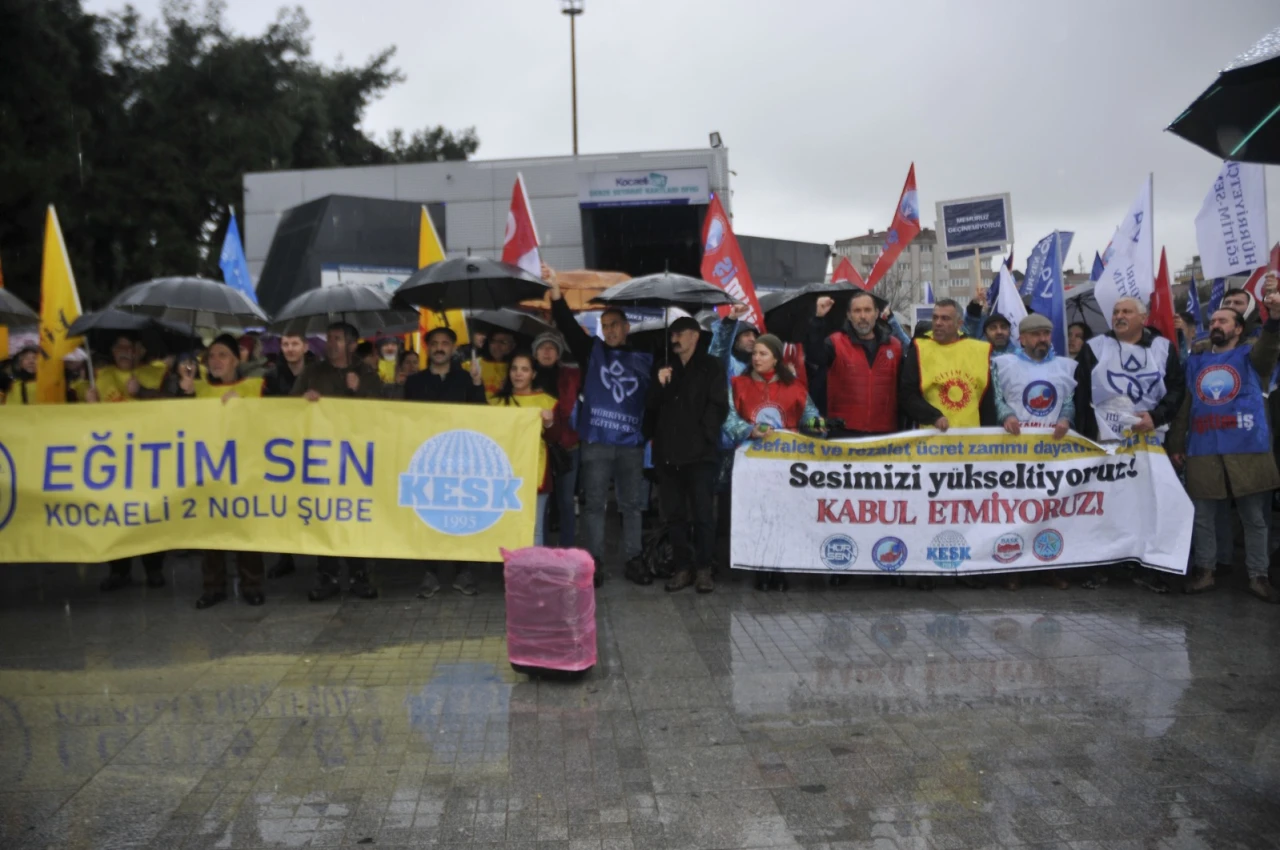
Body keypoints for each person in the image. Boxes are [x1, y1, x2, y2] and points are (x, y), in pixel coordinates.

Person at [1170, 299, 1280, 603]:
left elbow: (1269, 348)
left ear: (1239, 328)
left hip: (1247, 448)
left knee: (1253, 517)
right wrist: (1177, 443)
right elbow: (1186, 405)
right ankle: (1205, 571)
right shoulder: (1198, 361)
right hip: (1204, 447)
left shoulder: (1252, 356)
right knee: (1204, 515)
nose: (1216, 325)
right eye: (1213, 320)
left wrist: (1274, 319)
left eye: (1224, 321)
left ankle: (1258, 575)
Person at [547, 266, 651, 586]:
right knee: (594, 504)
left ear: (626, 326)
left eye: (614, 325)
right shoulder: (591, 351)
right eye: (604, 326)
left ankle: (634, 559)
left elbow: (656, 398)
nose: (609, 331)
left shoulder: (646, 357)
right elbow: (566, 326)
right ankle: (594, 562)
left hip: (631, 443)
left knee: (632, 505)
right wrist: (556, 295)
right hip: (596, 442)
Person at [1074, 296, 1185, 593]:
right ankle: (1100, 565)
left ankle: (1148, 565)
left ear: (1142, 317)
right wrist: (1086, 438)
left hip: (1151, 438)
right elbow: (1081, 392)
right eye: (1116, 311)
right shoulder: (1095, 347)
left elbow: (1176, 388)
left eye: (1126, 311)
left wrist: (1157, 415)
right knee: (1105, 501)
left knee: (1148, 502)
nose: (1119, 316)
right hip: (1107, 439)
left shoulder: (1163, 348)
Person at [899, 298, 995, 590]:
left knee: (967, 509)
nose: (938, 323)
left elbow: (987, 401)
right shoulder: (919, 348)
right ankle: (927, 569)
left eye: (945, 319)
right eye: (936, 317)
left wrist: (993, 441)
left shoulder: (978, 351)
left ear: (959, 324)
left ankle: (968, 567)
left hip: (970, 448)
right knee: (931, 510)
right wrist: (933, 415)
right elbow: (905, 394)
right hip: (931, 447)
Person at [172, 334, 266, 608]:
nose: (215, 361)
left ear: (236, 360)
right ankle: (213, 586)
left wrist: (246, 405)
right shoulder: (196, 389)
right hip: (208, 470)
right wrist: (183, 392)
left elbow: (274, 417)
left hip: (243, 469)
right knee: (211, 530)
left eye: (222, 355)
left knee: (245, 529)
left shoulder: (254, 387)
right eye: (211, 356)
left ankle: (252, 584)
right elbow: (173, 423)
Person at [723, 333, 820, 591]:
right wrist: (749, 430)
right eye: (754, 353)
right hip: (751, 464)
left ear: (776, 358)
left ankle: (780, 567)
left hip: (785, 464)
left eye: (763, 354)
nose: (756, 358)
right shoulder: (738, 384)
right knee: (757, 515)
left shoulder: (795, 387)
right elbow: (729, 419)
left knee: (782, 515)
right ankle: (759, 567)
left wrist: (818, 424)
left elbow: (810, 416)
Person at [292, 322, 382, 601]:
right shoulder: (312, 372)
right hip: (320, 456)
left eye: (338, 339)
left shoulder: (366, 373)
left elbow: (381, 413)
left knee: (352, 516)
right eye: (328, 338)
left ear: (352, 344)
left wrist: (356, 391)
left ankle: (359, 575)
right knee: (324, 515)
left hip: (355, 459)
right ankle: (327, 576)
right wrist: (303, 401)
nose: (331, 343)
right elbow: (288, 406)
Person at [992, 314, 1076, 591]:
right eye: (1036, 334)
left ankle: (1048, 566)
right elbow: (997, 398)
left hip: (1051, 454)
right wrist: (1005, 415)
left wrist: (1066, 418)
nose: (1042, 339)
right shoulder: (1003, 365)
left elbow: (1069, 401)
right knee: (1014, 509)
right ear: (1023, 339)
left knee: (1050, 509)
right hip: (1014, 454)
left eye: (1046, 334)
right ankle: (1013, 568)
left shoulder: (1066, 367)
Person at [403, 326, 488, 596]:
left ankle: (463, 571)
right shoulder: (414, 382)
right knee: (428, 516)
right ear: (428, 348)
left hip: (460, 461)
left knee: (460, 516)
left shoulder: (466, 379)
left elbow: (483, 415)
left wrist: (476, 384)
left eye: (445, 343)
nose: (440, 348)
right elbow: (405, 418)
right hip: (426, 460)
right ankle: (431, 572)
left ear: (453, 349)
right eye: (435, 343)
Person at [646, 316, 729, 593]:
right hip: (669, 455)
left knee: (704, 514)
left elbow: (718, 406)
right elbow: (650, 406)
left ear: (694, 336)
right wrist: (659, 384)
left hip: (701, 456)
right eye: (672, 335)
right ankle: (682, 567)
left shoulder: (711, 366)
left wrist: (705, 436)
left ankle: (704, 568)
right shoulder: (664, 366)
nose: (674, 339)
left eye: (679, 334)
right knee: (675, 515)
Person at [807, 290, 902, 438]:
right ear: (849, 315)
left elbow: (906, 388)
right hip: (844, 433)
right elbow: (815, 355)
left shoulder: (895, 346)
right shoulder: (835, 343)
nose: (863, 316)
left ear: (876, 313)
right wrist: (818, 319)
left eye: (867, 310)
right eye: (857, 311)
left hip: (885, 435)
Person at [491, 352, 559, 545]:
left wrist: (549, 423)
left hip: (536, 474)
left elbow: (556, 438)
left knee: (534, 530)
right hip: (503, 476)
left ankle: (532, 572)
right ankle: (512, 571)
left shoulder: (547, 402)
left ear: (533, 374)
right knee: (506, 527)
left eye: (524, 369)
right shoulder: (495, 403)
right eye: (514, 369)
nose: (518, 374)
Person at [532, 331, 582, 548]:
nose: (547, 351)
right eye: (542, 347)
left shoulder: (571, 375)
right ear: (535, 352)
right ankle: (539, 548)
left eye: (552, 347)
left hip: (567, 446)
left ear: (559, 352)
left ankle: (567, 549)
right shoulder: (526, 376)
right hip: (537, 450)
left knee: (565, 501)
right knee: (540, 503)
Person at [85, 333, 165, 403]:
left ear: (141, 351)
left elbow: (171, 403)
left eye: (130, 346)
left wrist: (141, 391)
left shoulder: (157, 371)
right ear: (113, 350)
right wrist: (93, 405)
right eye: (119, 347)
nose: (125, 351)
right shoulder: (103, 375)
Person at [469, 330, 516, 398]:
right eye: (493, 341)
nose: (497, 346)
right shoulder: (474, 364)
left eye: (503, 342)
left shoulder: (517, 368)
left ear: (513, 345)